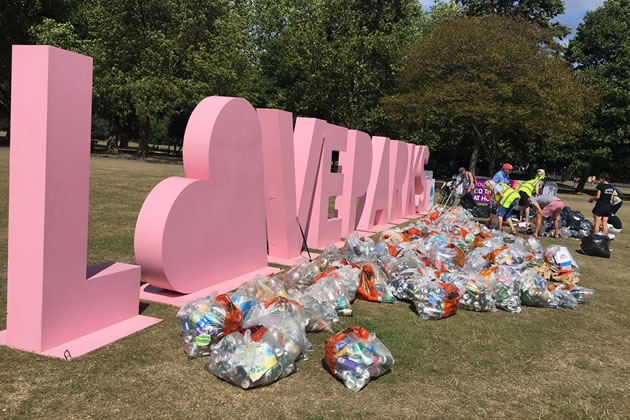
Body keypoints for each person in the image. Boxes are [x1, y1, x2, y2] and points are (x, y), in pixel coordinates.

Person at [588, 172, 615, 237]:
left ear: (603, 179)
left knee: (597, 223)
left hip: (600, 206)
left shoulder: (600, 186)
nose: (599, 180)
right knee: (604, 223)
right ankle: (604, 238)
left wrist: (591, 199)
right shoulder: (611, 187)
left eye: (600, 178)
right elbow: (612, 198)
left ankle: (596, 238)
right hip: (607, 207)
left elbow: (598, 197)